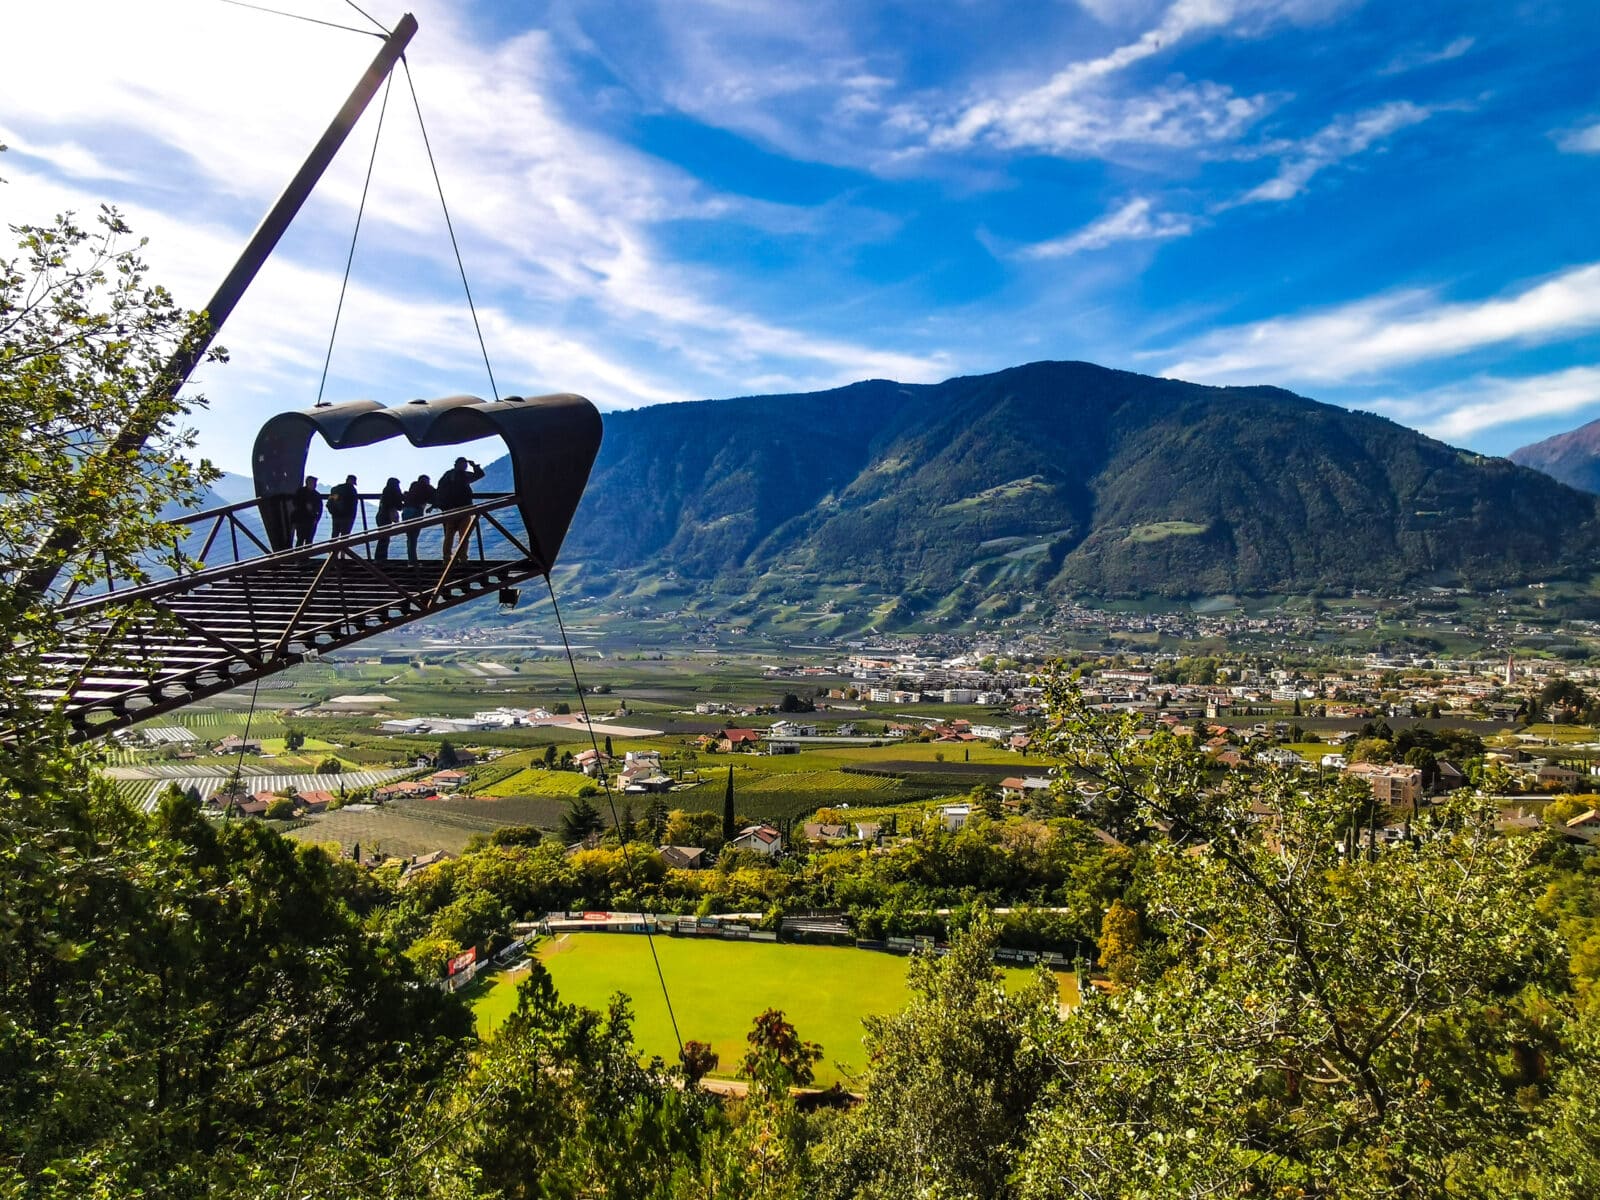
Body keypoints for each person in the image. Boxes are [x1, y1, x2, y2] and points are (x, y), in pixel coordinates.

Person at [435, 455, 485, 560]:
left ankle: (447, 557)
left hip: (450, 510)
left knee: (449, 535)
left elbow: (439, 490)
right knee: (464, 535)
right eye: (465, 465)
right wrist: (475, 466)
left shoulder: (447, 475)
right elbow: (480, 475)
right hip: (465, 508)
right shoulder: (464, 475)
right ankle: (462, 557)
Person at [401, 474, 436, 563]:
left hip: (406, 510)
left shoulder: (413, 486)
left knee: (410, 537)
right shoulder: (428, 488)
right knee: (414, 536)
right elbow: (435, 496)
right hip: (416, 511)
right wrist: (432, 507)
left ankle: (411, 560)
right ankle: (413, 561)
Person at [373, 476, 404, 560]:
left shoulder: (385, 491)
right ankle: (381, 558)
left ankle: (379, 558)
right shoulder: (394, 491)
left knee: (382, 538)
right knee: (384, 538)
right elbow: (398, 505)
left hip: (380, 515)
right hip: (386, 517)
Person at [290, 475, 322, 547]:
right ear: (309, 483)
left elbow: (320, 508)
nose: (315, 485)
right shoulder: (314, 494)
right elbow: (296, 504)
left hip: (309, 520)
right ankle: (301, 557)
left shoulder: (302, 492)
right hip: (303, 520)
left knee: (307, 540)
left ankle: (302, 557)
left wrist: (317, 519)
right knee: (302, 539)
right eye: (314, 483)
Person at [327, 474, 359, 539]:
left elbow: (330, 500)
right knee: (345, 537)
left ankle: (332, 548)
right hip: (347, 517)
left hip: (336, 515)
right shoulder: (352, 490)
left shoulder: (336, 489)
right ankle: (342, 549)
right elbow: (353, 505)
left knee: (334, 535)